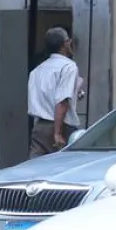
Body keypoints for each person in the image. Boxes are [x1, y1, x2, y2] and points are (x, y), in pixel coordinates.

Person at [27, 27, 83, 157]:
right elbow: (62, 101)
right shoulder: (69, 66)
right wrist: (57, 133)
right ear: (65, 43)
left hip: (39, 127)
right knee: (62, 168)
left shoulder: (37, 70)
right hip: (61, 125)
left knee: (35, 168)